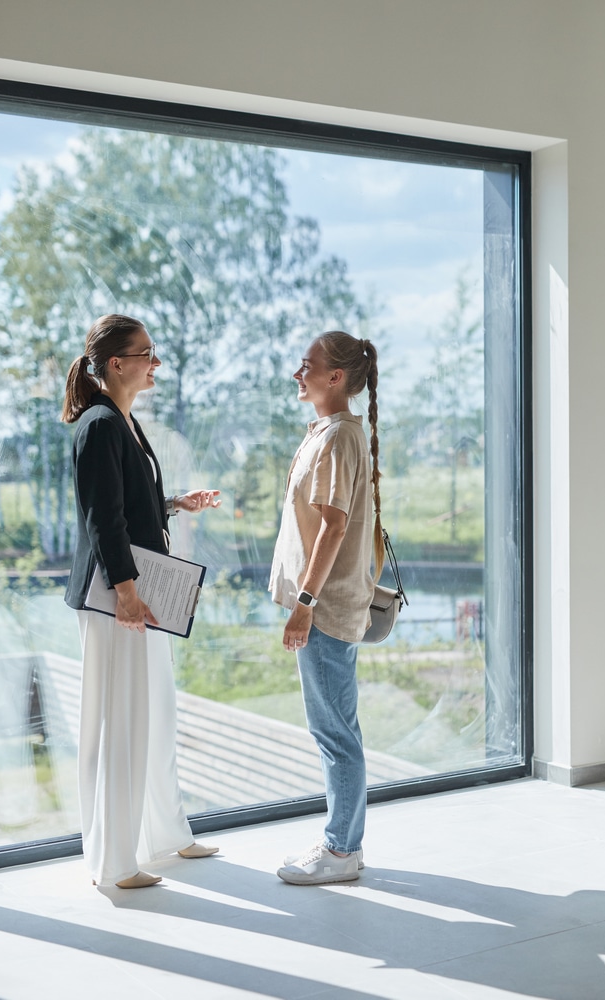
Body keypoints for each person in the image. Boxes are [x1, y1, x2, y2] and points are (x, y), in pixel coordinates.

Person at [62, 313, 222, 889]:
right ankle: (116, 862)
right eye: (147, 353)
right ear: (116, 364)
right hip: (117, 595)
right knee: (121, 721)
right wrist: (127, 594)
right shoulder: (101, 424)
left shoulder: (125, 422)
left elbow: (128, 503)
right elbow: (101, 517)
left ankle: (165, 834)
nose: (155, 363)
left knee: (154, 713)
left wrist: (176, 504)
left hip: (136, 590)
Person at [269, 330, 384, 885]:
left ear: (334, 377)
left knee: (334, 732)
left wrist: (304, 604)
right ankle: (345, 846)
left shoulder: (338, 437)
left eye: (306, 364)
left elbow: (334, 526)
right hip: (326, 605)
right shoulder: (329, 432)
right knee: (336, 727)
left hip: (325, 608)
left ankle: (341, 852)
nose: (298, 373)